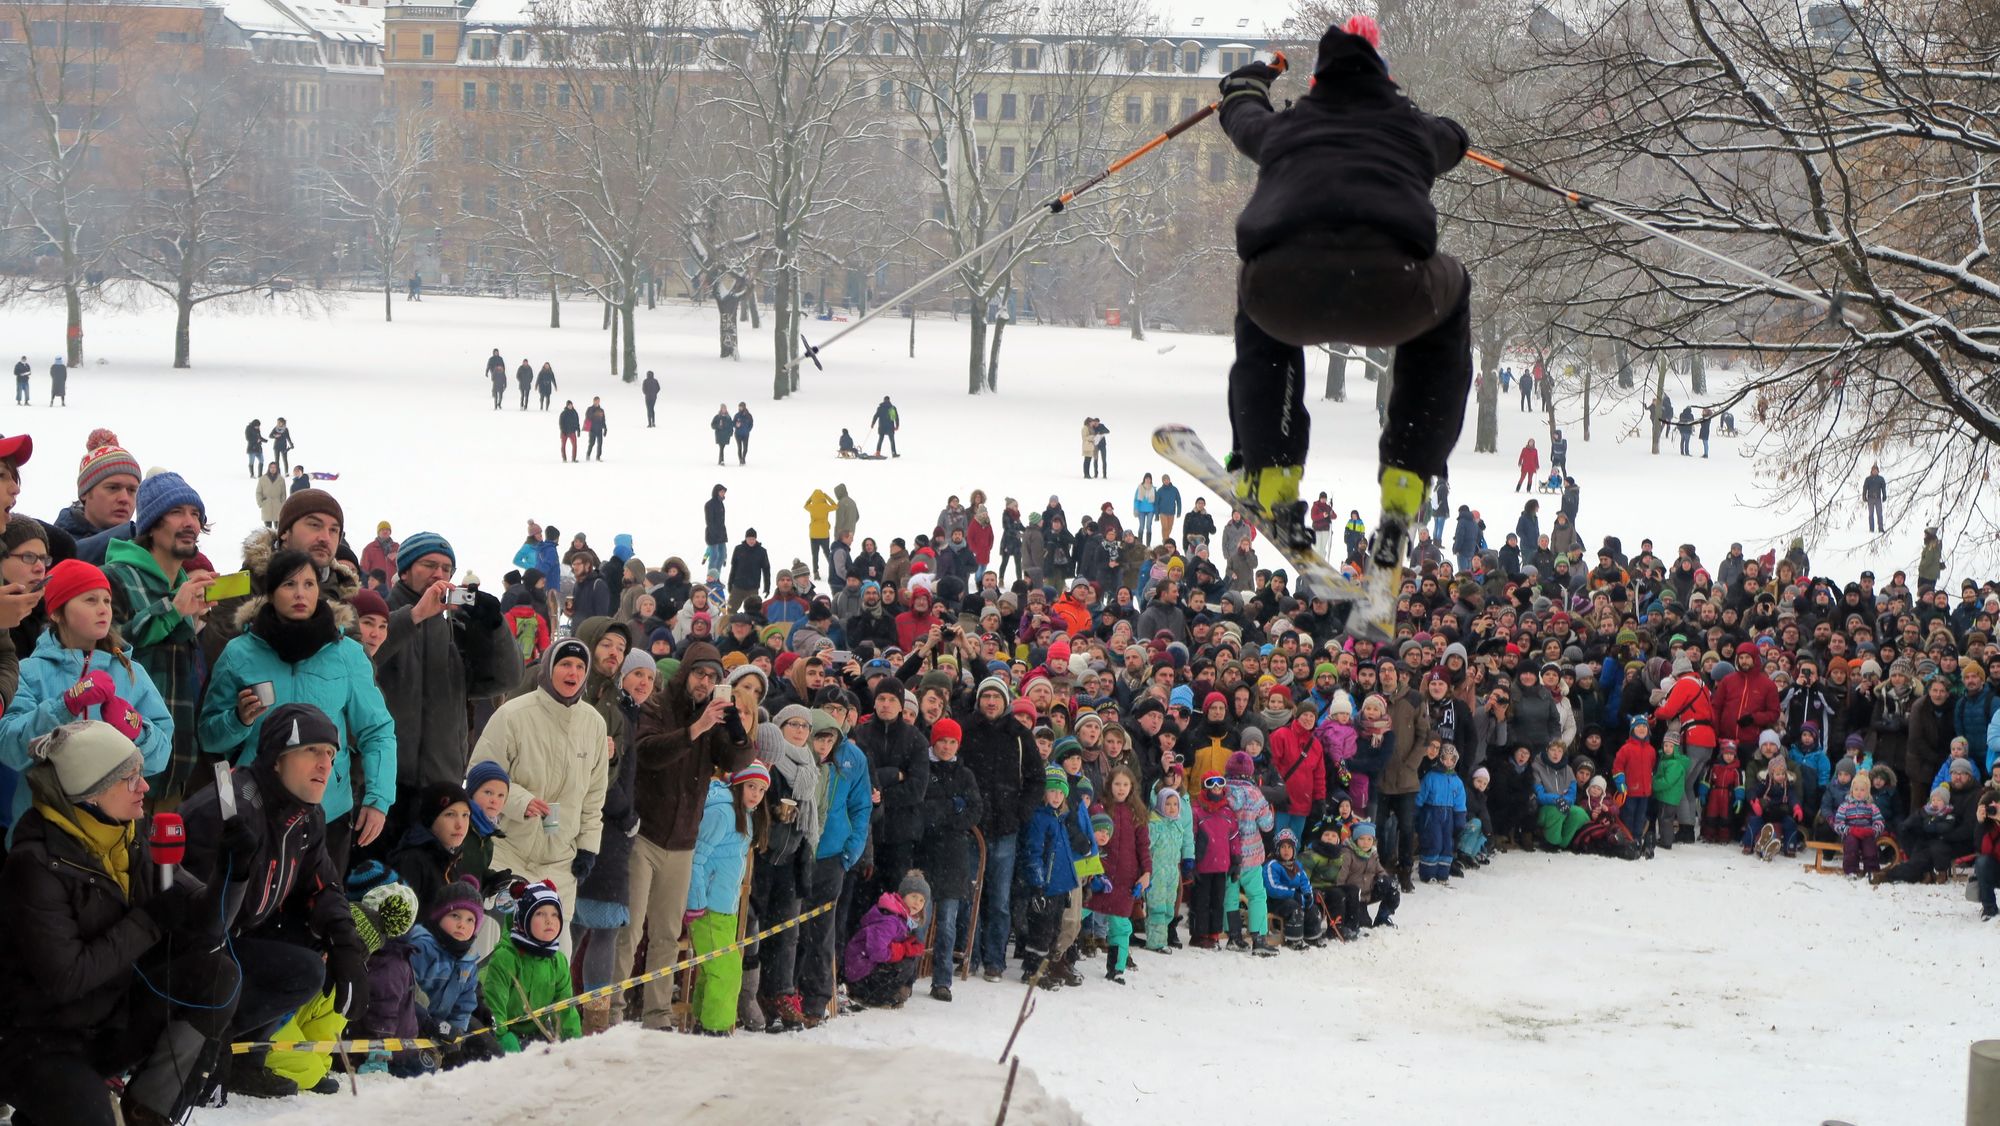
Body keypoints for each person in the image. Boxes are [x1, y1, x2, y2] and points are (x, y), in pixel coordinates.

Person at [1212, 17, 1472, 563]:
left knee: (1254, 299)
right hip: (1391, 294)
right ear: (1384, 80)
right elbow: (1455, 138)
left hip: (1283, 294)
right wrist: (1415, 117)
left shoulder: (1286, 131)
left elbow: (1241, 114)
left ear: (1316, 85)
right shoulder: (1410, 130)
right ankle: (1407, 478)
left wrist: (1247, 84)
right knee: (1450, 293)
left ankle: (1271, 470)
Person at [0, 719, 243, 1124]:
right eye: (131, 779)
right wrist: (148, 922)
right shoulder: (35, 863)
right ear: (92, 791)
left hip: (109, 1021)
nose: (145, 787)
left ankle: (148, 1110)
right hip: (38, 1039)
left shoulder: (132, 837)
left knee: (217, 975)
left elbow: (208, 925)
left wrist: (233, 872)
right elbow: (67, 977)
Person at [180, 702, 370, 1100]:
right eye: (311, 751)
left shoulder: (307, 816)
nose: (325, 763)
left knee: (312, 955)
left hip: (235, 937)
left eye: (331, 754)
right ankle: (195, 1040)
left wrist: (346, 946)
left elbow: (324, 888)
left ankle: (244, 1055)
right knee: (225, 965)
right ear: (277, 759)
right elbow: (181, 912)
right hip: (186, 949)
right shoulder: (230, 805)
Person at [199, 546, 396, 871]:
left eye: (308, 584)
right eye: (289, 585)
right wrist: (238, 719)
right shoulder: (239, 653)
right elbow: (209, 738)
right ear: (271, 592)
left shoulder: (346, 653)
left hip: (327, 813)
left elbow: (377, 730)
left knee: (320, 913)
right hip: (254, 809)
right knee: (250, 915)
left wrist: (378, 799)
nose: (300, 593)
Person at [620, 640, 755, 1029]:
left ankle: (657, 1014)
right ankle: (610, 1007)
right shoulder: (658, 706)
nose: (704, 682)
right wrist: (696, 728)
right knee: (629, 930)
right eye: (700, 674)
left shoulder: (713, 716)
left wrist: (735, 730)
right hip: (644, 833)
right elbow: (648, 753)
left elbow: (736, 764)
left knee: (665, 933)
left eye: (713, 677)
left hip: (683, 841)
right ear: (686, 673)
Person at [0, 559, 175, 827]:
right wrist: (64, 705)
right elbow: (9, 749)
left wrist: (135, 727)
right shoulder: (28, 671)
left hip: (115, 833)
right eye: (90, 600)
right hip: (44, 833)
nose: (103, 609)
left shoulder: (131, 672)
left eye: (106, 601)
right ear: (57, 612)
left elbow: (160, 758)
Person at [375, 532, 523, 833]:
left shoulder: (454, 630)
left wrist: (493, 629)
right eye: (429, 565)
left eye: (446, 569)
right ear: (404, 571)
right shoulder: (380, 618)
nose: (438, 575)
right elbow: (363, 659)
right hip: (383, 786)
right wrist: (414, 617)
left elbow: (505, 679)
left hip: (442, 785)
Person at [469, 637, 609, 951]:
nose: (572, 672)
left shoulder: (595, 725)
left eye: (579, 666)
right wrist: (519, 801)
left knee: (555, 956)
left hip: (560, 862)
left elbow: (595, 795)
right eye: (565, 664)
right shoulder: (513, 715)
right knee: (502, 951)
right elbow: (479, 774)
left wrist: (588, 847)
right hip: (509, 854)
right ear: (548, 668)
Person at [687, 761, 767, 1033]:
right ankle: (716, 1029)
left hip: (726, 905)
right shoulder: (722, 812)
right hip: (708, 906)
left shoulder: (745, 814)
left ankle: (702, 1020)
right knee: (727, 970)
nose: (756, 794)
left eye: (761, 789)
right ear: (737, 785)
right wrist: (696, 902)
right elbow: (696, 859)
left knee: (712, 970)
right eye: (751, 786)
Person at [481, 880, 582, 1051]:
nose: (549, 921)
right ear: (523, 920)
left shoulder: (558, 960)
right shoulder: (506, 958)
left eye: (554, 915)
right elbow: (494, 1006)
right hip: (501, 1031)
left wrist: (575, 1044)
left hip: (537, 1030)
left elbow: (565, 1008)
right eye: (540, 914)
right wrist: (503, 1038)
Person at [805, 487, 837, 578]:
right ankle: (833, 570)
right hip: (824, 534)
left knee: (815, 554)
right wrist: (826, 497)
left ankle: (815, 572)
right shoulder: (826, 506)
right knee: (827, 552)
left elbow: (805, 505)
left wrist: (811, 498)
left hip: (813, 534)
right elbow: (835, 505)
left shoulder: (811, 507)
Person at [256, 462, 286, 530]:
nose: (273, 469)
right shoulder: (262, 479)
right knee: (267, 529)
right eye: (271, 467)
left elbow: (283, 494)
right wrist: (260, 503)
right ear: (269, 468)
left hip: (277, 506)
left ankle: (278, 540)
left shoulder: (281, 479)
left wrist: (282, 504)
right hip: (266, 506)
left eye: (274, 467)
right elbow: (258, 492)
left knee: (278, 529)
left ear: (277, 469)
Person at [1863, 464, 1887, 533]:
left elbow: (1883, 488)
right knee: (1871, 514)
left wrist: (1884, 495)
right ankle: (1871, 529)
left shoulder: (1881, 479)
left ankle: (1881, 528)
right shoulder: (1868, 479)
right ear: (1871, 471)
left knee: (1879, 514)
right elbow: (1865, 488)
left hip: (1878, 499)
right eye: (1873, 470)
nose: (1875, 472)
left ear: (1878, 471)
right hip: (1870, 498)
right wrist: (1864, 496)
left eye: (1876, 470)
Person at [584, 396, 608, 462]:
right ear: (594, 401)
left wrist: (605, 428)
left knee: (600, 443)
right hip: (592, 429)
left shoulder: (601, 410)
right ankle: (588, 454)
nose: (597, 402)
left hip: (599, 429)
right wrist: (594, 412)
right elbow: (588, 417)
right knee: (592, 443)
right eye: (596, 401)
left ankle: (598, 457)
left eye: (598, 401)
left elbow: (603, 420)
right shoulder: (590, 409)